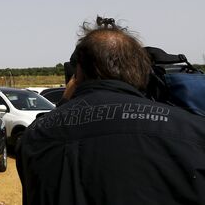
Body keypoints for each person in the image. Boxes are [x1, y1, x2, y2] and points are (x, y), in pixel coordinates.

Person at [16, 18, 205, 205]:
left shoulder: (35, 136)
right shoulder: (192, 131)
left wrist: (65, 101)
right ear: (141, 70)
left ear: (78, 72)